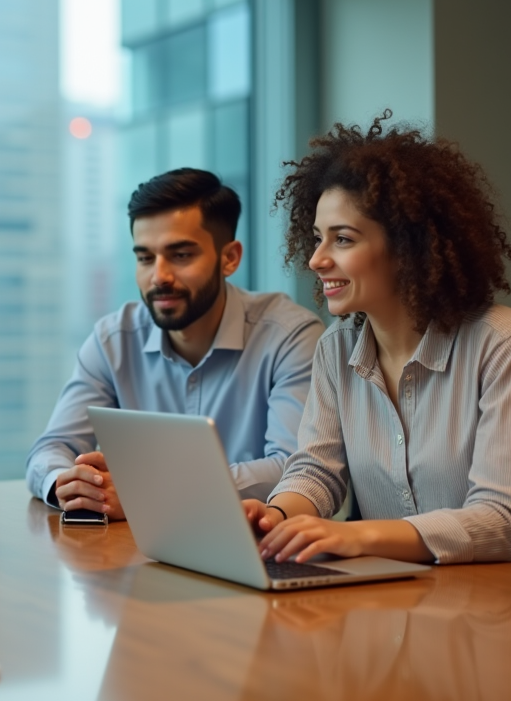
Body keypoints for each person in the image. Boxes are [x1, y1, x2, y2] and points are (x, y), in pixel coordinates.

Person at [245, 112, 511, 572]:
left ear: (408, 247)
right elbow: (316, 470)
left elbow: (502, 523)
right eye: (317, 239)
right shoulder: (336, 348)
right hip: (414, 594)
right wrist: (275, 516)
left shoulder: (508, 341)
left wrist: (353, 535)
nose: (316, 259)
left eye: (343, 239)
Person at [26, 168, 324, 518]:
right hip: (137, 554)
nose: (159, 277)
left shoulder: (291, 336)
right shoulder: (113, 340)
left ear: (229, 258)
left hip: (259, 548)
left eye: (181, 255)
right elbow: (51, 449)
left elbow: (295, 470)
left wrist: (150, 492)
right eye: (145, 258)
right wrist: (71, 484)